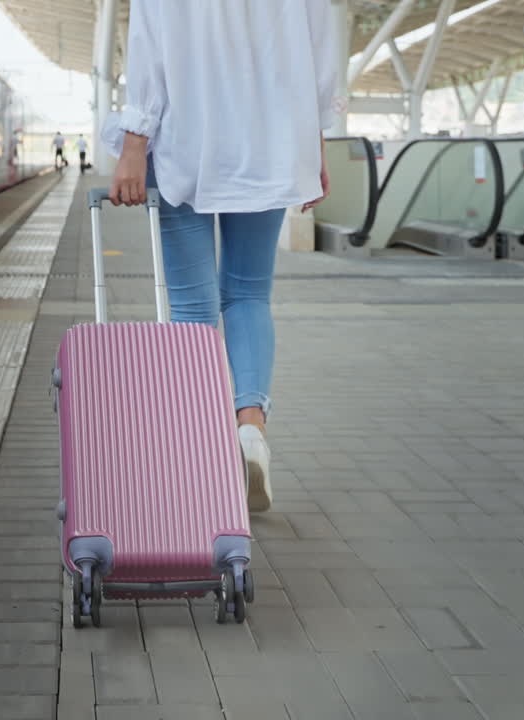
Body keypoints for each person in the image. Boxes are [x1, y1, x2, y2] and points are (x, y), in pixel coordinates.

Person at [104, 1, 337, 512]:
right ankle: (250, 428)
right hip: (272, 141)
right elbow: (321, 48)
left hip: (189, 138)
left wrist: (133, 145)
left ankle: (202, 453)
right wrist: (313, 142)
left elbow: (149, 48)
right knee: (250, 293)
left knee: (193, 307)